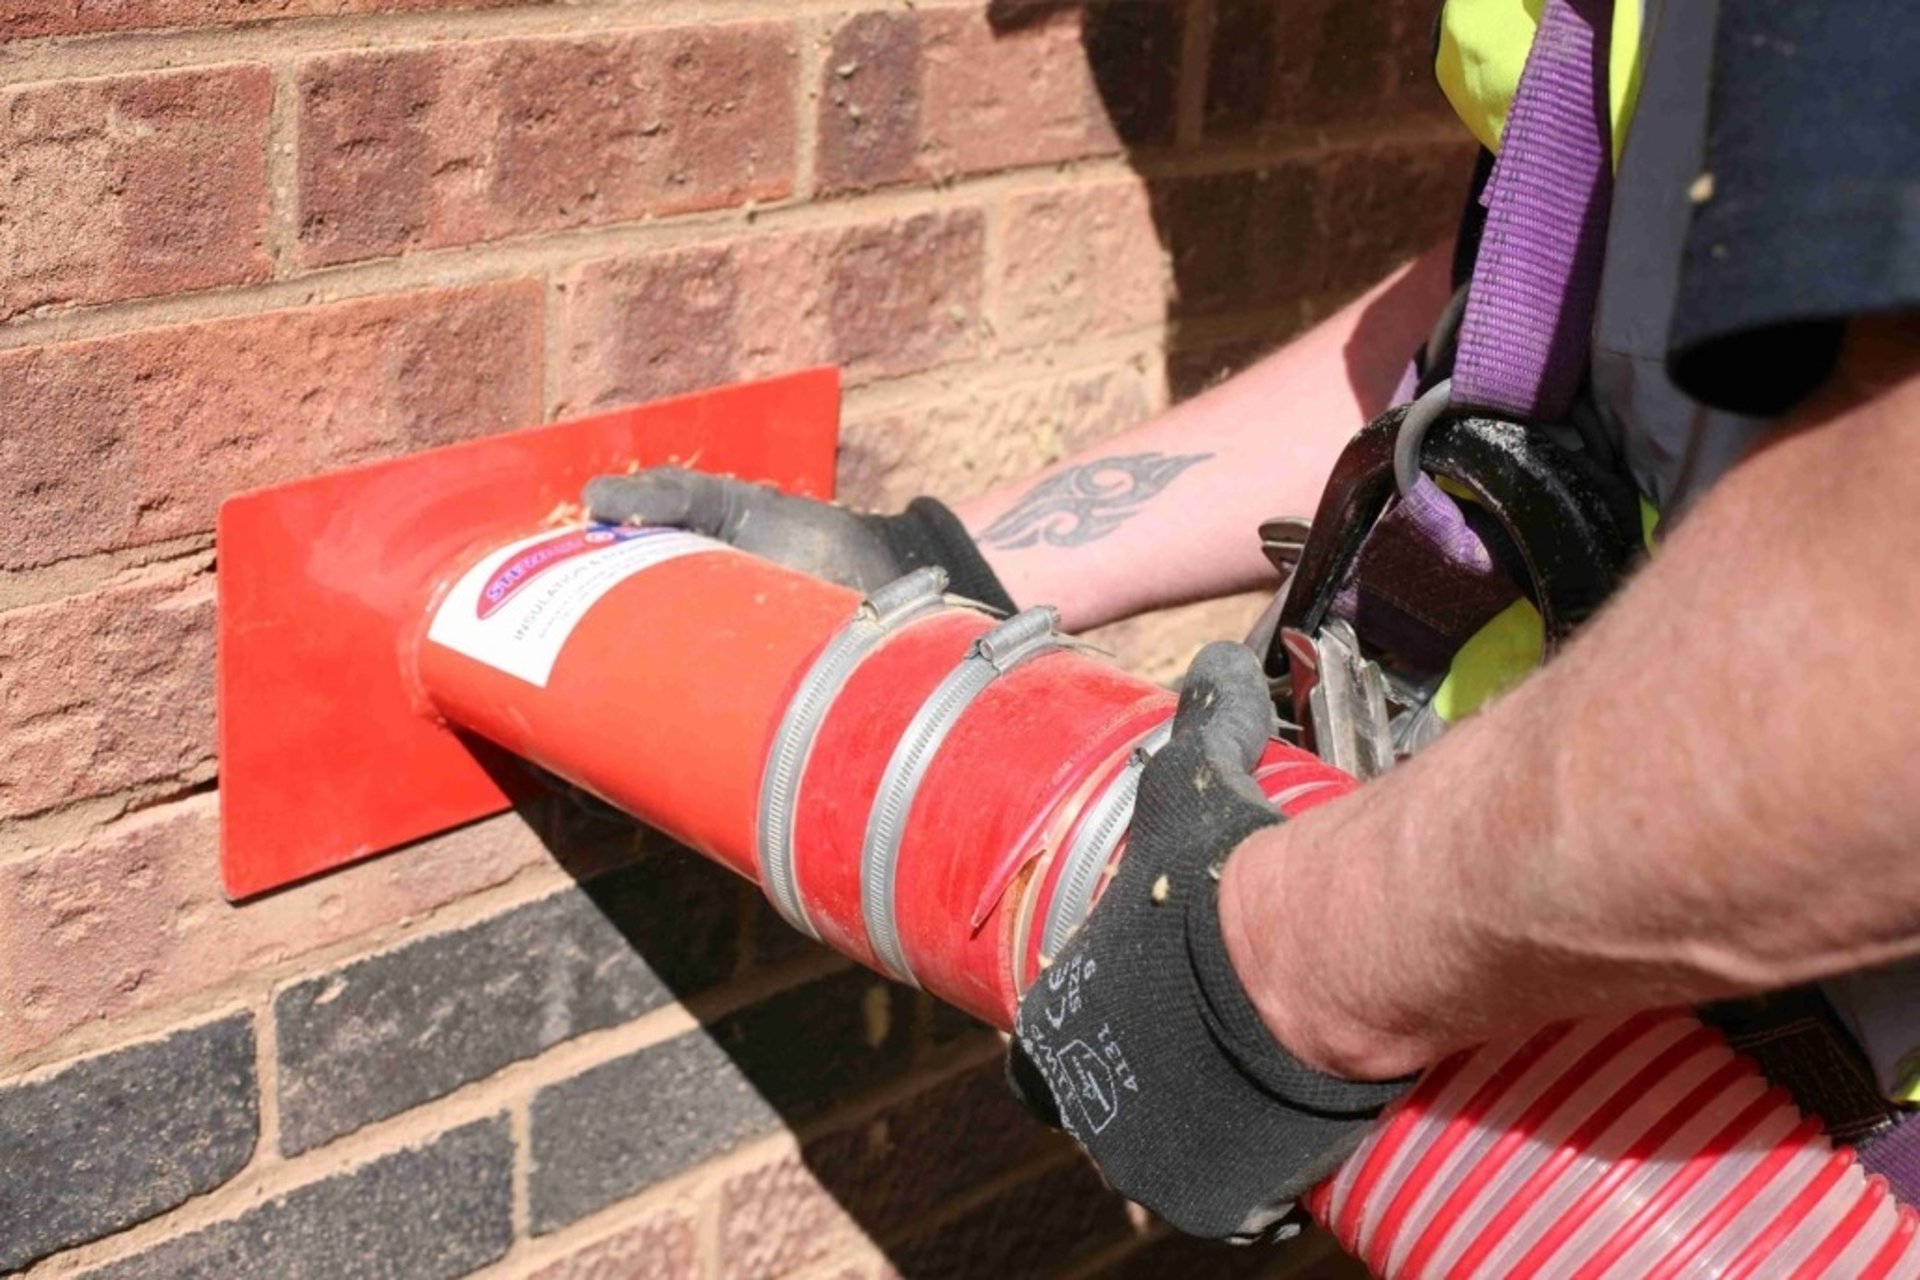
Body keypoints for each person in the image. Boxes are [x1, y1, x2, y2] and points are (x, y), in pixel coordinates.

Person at [586, 0, 1920, 1243]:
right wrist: (949, 557)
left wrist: (1284, 972)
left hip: (1794, 1178)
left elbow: (1882, 651)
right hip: (1570, 1081)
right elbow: (1547, 296)